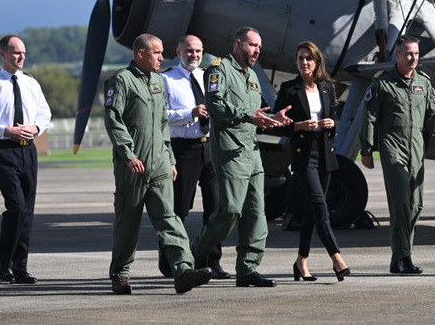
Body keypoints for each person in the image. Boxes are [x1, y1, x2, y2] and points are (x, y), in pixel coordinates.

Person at [103, 33, 212, 295]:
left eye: (162, 53)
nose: (162, 58)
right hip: (134, 165)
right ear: (140, 53)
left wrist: (170, 158)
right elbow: (113, 120)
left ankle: (183, 271)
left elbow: (162, 123)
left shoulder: (157, 81)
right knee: (128, 222)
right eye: (157, 53)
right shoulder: (121, 81)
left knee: (169, 219)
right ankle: (120, 274)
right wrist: (128, 155)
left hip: (160, 164)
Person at [190, 27, 293, 288]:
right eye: (253, 45)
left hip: (252, 153)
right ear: (238, 44)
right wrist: (249, 116)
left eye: (259, 46)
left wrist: (272, 120)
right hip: (229, 151)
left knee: (256, 214)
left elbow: (255, 114)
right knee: (231, 210)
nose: (258, 50)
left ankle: (247, 269)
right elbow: (215, 106)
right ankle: (197, 251)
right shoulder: (218, 70)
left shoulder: (253, 76)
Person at [358, 34, 435, 274]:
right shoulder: (382, 83)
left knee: (416, 205)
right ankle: (404, 257)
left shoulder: (424, 83)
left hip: (416, 149)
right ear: (397, 55)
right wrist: (366, 149)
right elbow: (369, 119)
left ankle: (397, 257)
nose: (413, 58)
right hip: (392, 146)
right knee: (400, 204)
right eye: (408, 53)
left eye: (416, 54)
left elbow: (434, 114)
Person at [269, 41, 351, 282]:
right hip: (303, 155)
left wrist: (332, 123)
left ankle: (301, 261)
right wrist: (298, 126)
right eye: (300, 58)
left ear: (316, 62)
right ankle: (337, 258)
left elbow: (334, 114)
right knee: (320, 207)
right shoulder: (289, 89)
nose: (304, 62)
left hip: (325, 153)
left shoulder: (327, 87)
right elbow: (277, 126)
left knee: (312, 211)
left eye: (308, 58)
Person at [0, 34, 52, 285]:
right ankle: (3, 261)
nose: (21, 57)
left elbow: (44, 112)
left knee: (27, 211)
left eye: (24, 53)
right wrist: (7, 130)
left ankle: (20, 267)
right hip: (4, 150)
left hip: (28, 149)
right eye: (16, 53)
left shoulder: (31, 83)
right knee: (16, 207)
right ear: (3, 54)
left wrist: (36, 128)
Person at [156, 35, 230, 281]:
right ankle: (171, 260)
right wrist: (190, 113)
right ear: (178, 51)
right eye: (189, 51)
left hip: (209, 147)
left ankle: (211, 261)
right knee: (179, 209)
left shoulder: (208, 76)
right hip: (183, 149)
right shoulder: (166, 79)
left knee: (215, 207)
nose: (194, 55)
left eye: (198, 51)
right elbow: (159, 115)